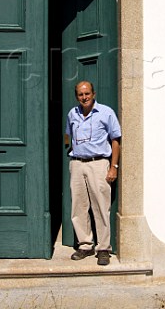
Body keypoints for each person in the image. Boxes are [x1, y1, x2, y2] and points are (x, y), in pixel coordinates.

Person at [65, 81, 121, 266]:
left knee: (101, 206)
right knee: (79, 207)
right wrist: (70, 148)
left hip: (99, 163)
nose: (84, 97)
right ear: (77, 97)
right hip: (78, 164)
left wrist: (114, 167)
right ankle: (85, 245)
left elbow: (116, 140)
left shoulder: (106, 113)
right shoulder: (72, 114)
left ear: (93, 94)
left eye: (87, 93)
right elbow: (67, 136)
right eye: (81, 95)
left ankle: (103, 248)